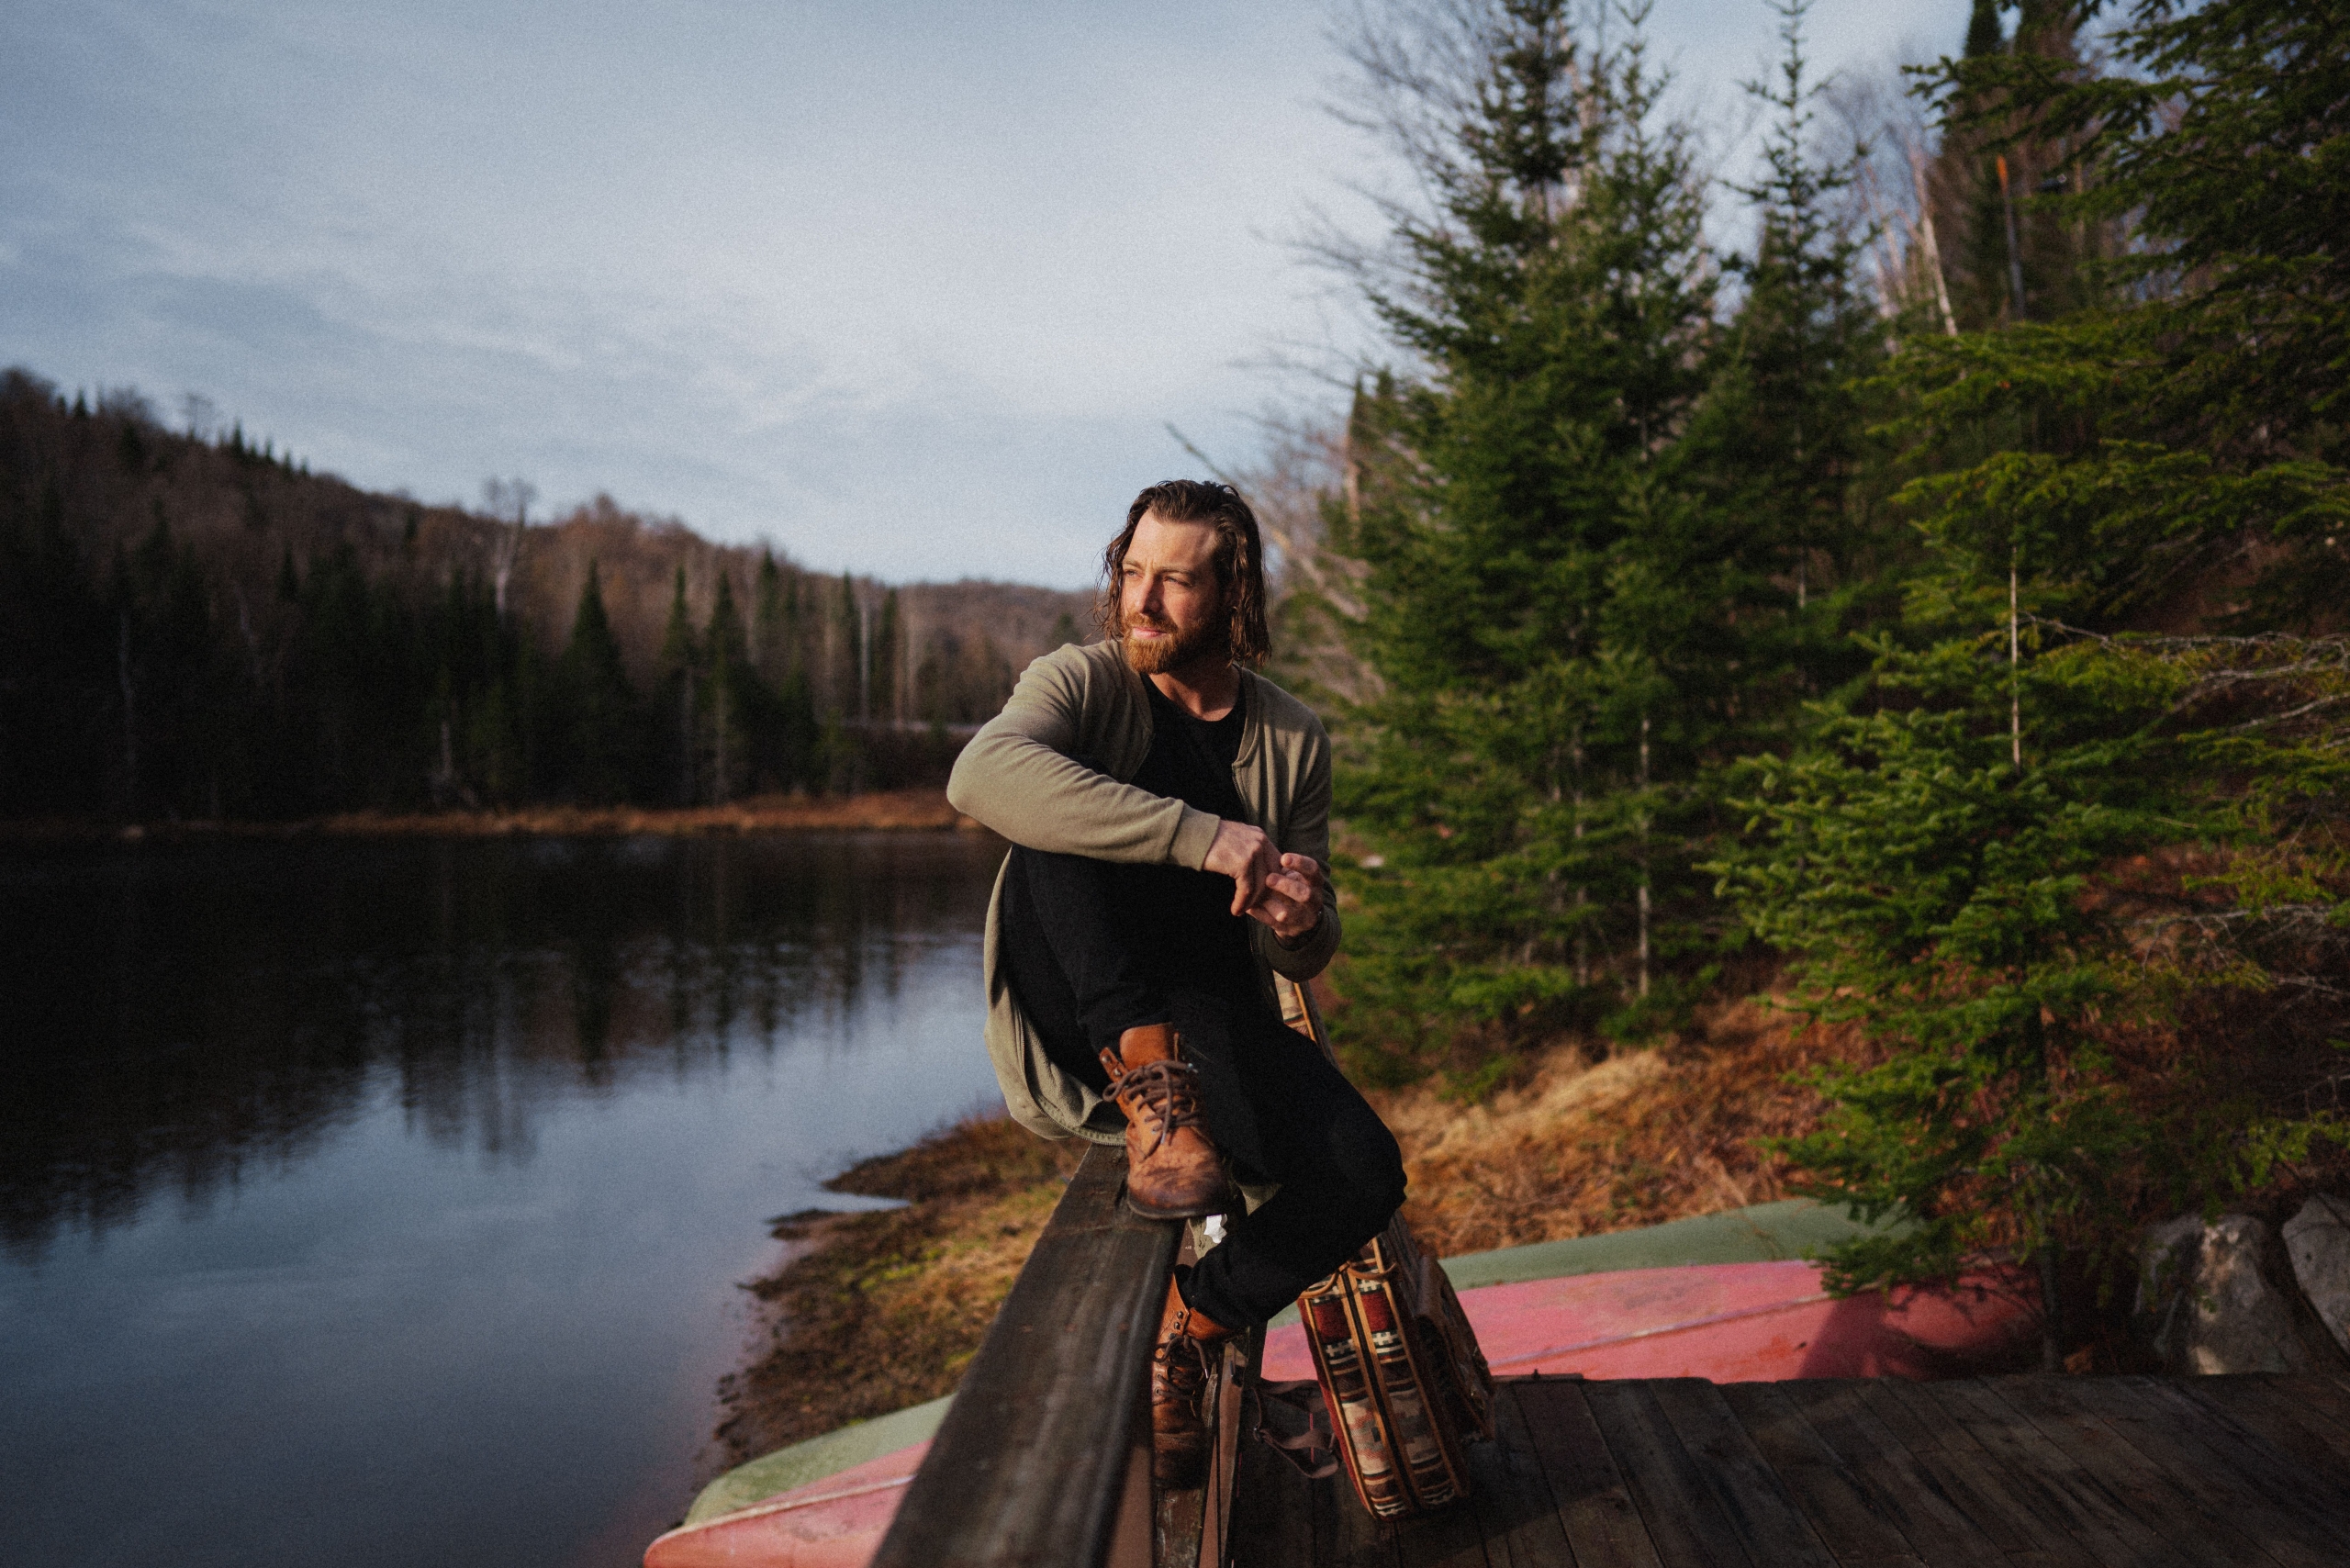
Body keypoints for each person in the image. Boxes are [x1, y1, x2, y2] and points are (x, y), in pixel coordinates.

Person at [946, 478, 1407, 1484]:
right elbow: (980, 776)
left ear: (1232, 596)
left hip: (1208, 1014)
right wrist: (1202, 837)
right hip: (1081, 1000)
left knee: (1365, 1170)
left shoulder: (1292, 737)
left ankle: (1190, 1333)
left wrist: (1300, 916)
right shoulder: (1082, 680)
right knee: (1049, 802)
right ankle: (1154, 1103)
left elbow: (1303, 954)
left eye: (1174, 583)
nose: (1140, 601)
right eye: (1131, 572)